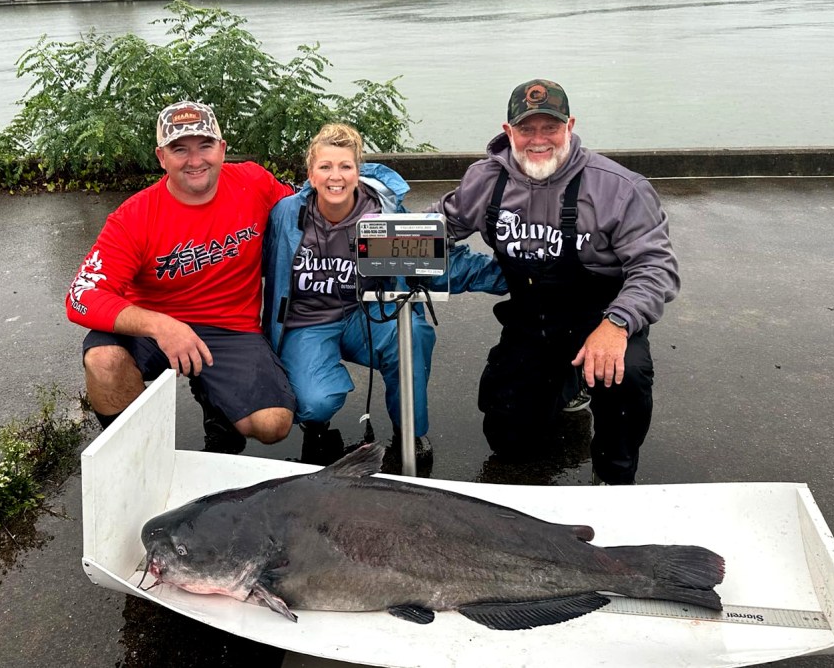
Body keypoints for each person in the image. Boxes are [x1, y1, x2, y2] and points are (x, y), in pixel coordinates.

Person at [430, 79, 679, 484]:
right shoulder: (485, 180)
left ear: (570, 126)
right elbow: (440, 225)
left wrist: (617, 325)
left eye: (551, 128)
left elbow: (655, 268)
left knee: (625, 378)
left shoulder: (620, 188)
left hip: (598, 317)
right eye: (527, 129)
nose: (538, 140)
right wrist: (361, 232)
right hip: (531, 318)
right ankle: (567, 383)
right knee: (508, 439)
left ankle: (615, 472)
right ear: (509, 131)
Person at [263, 123, 505, 467]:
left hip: (366, 314)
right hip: (308, 322)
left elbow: (433, 261)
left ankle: (410, 429)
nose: (336, 176)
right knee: (314, 402)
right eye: (325, 167)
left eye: (345, 166)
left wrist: (513, 277)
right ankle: (316, 420)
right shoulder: (287, 214)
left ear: (358, 172)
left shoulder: (381, 215)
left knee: (414, 335)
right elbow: (253, 261)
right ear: (310, 174)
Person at [66, 99, 296, 453]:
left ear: (222, 149)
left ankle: (216, 401)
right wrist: (161, 326)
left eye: (205, 146)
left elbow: (307, 212)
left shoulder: (254, 182)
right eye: (179, 150)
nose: (195, 160)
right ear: (161, 157)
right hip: (155, 329)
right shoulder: (134, 217)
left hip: (231, 328)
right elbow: (81, 296)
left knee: (273, 423)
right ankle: (137, 452)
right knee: (104, 361)